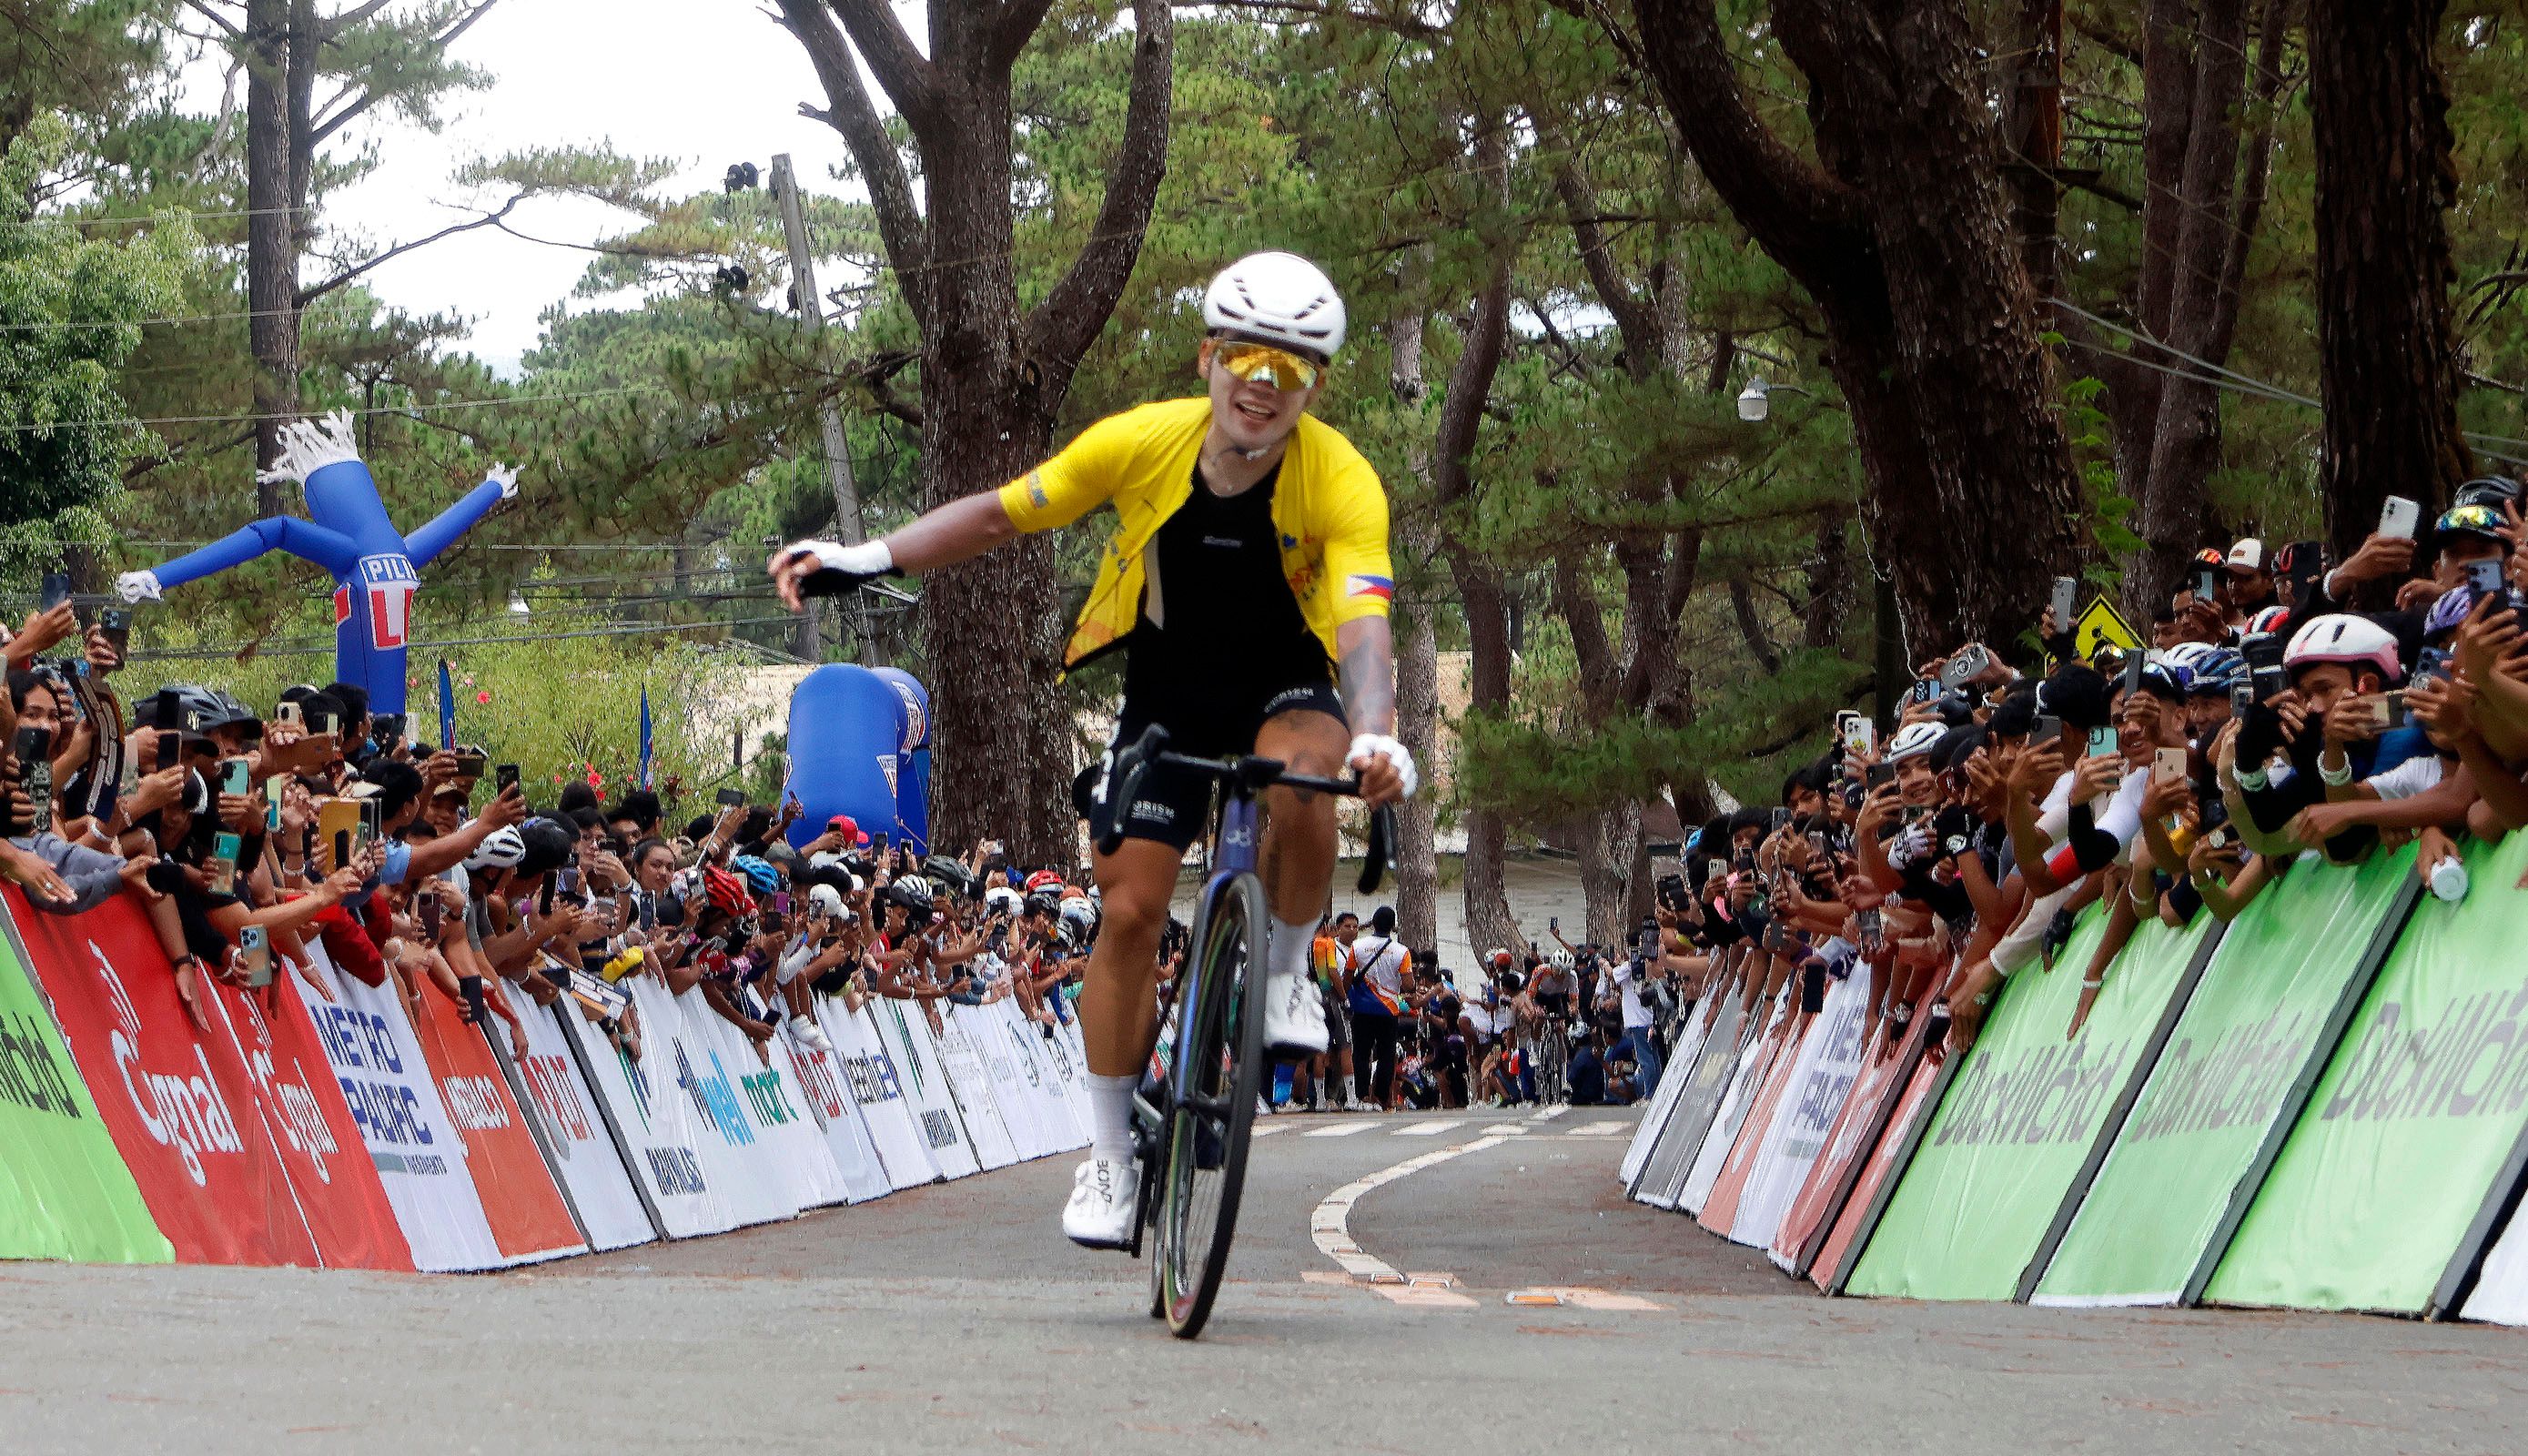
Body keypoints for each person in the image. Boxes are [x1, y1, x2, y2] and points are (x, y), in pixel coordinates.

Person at [767, 251, 1417, 1249]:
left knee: (1309, 782)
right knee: (1129, 911)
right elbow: (1002, 512)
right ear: (1207, 359)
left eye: (1289, 369)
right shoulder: (1142, 442)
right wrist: (869, 557)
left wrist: (1376, 731)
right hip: (1169, 694)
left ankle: (1286, 974)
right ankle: (1110, 1156)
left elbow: (1366, 623)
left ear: (1314, 388)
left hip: (1288, 685)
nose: (1262, 383)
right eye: (1245, 357)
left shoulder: (1342, 479)